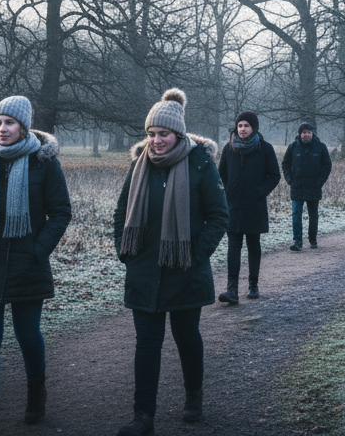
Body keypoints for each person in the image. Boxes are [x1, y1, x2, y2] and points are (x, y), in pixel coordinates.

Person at [113, 89, 229, 435]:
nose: (156, 140)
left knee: (186, 337)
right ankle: (142, 417)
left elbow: (219, 216)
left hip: (184, 271)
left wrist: (194, 255)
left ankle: (194, 396)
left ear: (177, 133)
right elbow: (121, 213)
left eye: (162, 134)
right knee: (147, 344)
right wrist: (125, 250)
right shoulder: (139, 165)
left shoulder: (199, 163)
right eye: (151, 134)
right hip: (144, 270)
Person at [0, 96, 72, 436]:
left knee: (28, 336)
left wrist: (38, 250)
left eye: (9, 123)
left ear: (23, 126)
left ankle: (36, 392)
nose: (1, 129)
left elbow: (61, 212)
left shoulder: (44, 163)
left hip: (27, 265)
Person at [216, 111, 280, 303]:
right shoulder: (229, 148)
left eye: (246, 126)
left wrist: (258, 192)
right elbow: (221, 175)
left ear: (254, 128)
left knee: (253, 245)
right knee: (233, 246)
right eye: (240, 125)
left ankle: (253, 285)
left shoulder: (265, 148)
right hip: (233, 206)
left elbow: (274, 176)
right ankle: (232, 289)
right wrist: (228, 194)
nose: (242, 129)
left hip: (255, 206)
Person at [282, 122, 332, 251]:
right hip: (297, 186)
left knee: (313, 214)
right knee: (296, 213)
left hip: (313, 186)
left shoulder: (320, 147)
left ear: (312, 133)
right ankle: (297, 241)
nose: (306, 135)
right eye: (304, 132)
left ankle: (312, 239)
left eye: (309, 132)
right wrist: (289, 179)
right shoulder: (293, 147)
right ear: (300, 134)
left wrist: (319, 181)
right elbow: (285, 164)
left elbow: (327, 166)